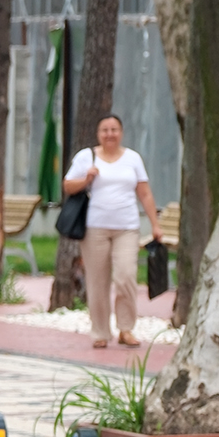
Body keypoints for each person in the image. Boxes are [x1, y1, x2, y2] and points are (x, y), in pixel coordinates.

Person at [64, 113, 162, 348]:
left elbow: (144, 193)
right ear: (98, 134)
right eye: (105, 130)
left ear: (121, 133)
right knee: (97, 280)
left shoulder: (132, 159)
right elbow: (68, 186)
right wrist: (86, 178)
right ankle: (99, 331)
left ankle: (126, 328)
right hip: (95, 227)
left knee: (126, 275)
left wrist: (155, 224)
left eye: (114, 130)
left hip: (127, 227)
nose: (110, 134)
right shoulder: (86, 157)